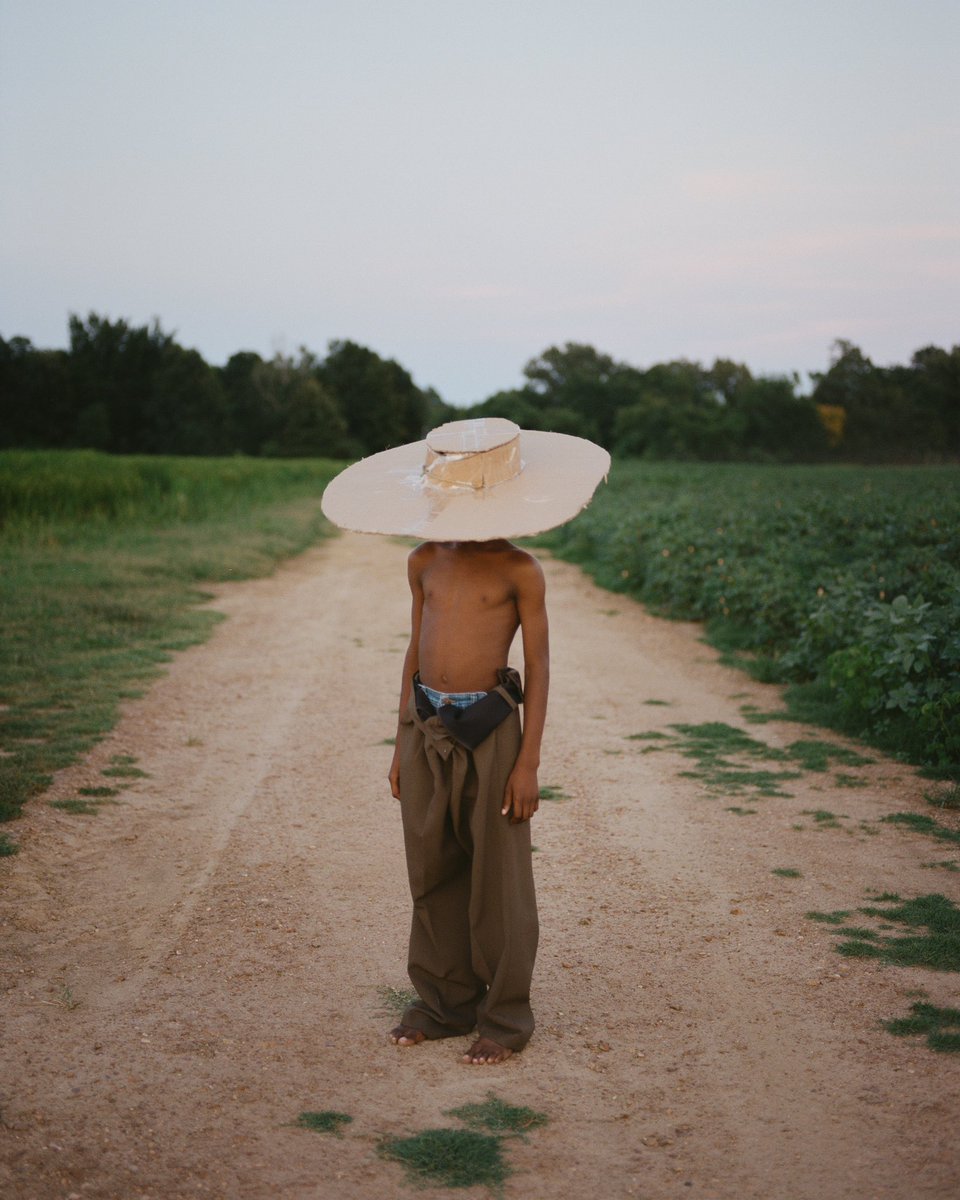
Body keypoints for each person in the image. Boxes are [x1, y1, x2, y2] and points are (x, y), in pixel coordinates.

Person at [321, 417, 609, 1065]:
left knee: (498, 876)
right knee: (431, 863)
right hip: (428, 728)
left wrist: (528, 762)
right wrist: (401, 743)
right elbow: (413, 656)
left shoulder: (519, 571)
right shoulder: (422, 560)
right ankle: (444, 1002)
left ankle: (504, 1015)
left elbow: (539, 668)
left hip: (493, 732)